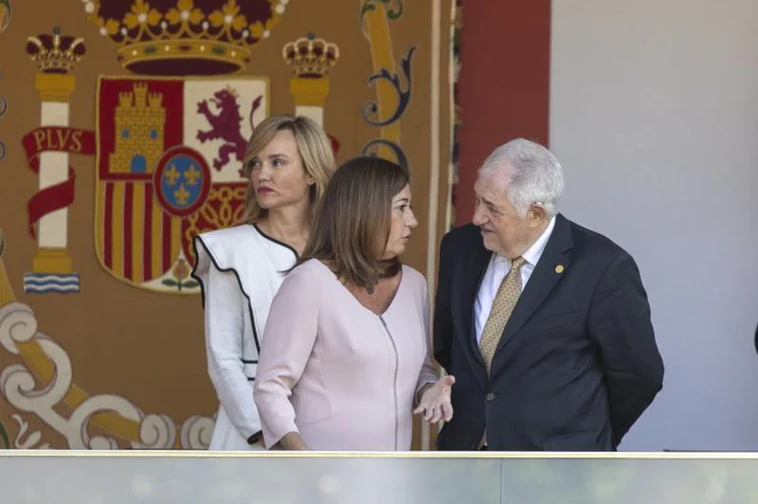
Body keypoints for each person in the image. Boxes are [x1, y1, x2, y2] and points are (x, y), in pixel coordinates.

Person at [433, 138, 664, 451]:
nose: (477, 217)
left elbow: (639, 375)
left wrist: (587, 436)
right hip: (466, 456)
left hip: (556, 468)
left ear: (536, 214)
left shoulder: (602, 267)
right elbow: (448, 347)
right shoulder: (459, 249)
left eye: (493, 209)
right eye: (477, 200)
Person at [253, 156, 455, 451]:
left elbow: (421, 370)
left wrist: (429, 390)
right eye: (402, 207)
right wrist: (302, 458)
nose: (413, 220)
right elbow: (270, 386)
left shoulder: (414, 285)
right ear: (365, 212)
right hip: (324, 483)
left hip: (392, 481)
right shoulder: (309, 282)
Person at [190, 115, 335, 450]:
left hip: (326, 429)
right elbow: (224, 361)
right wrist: (272, 435)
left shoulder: (339, 253)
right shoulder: (230, 251)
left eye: (277, 162)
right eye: (256, 163)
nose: (262, 174)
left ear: (311, 172)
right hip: (252, 439)